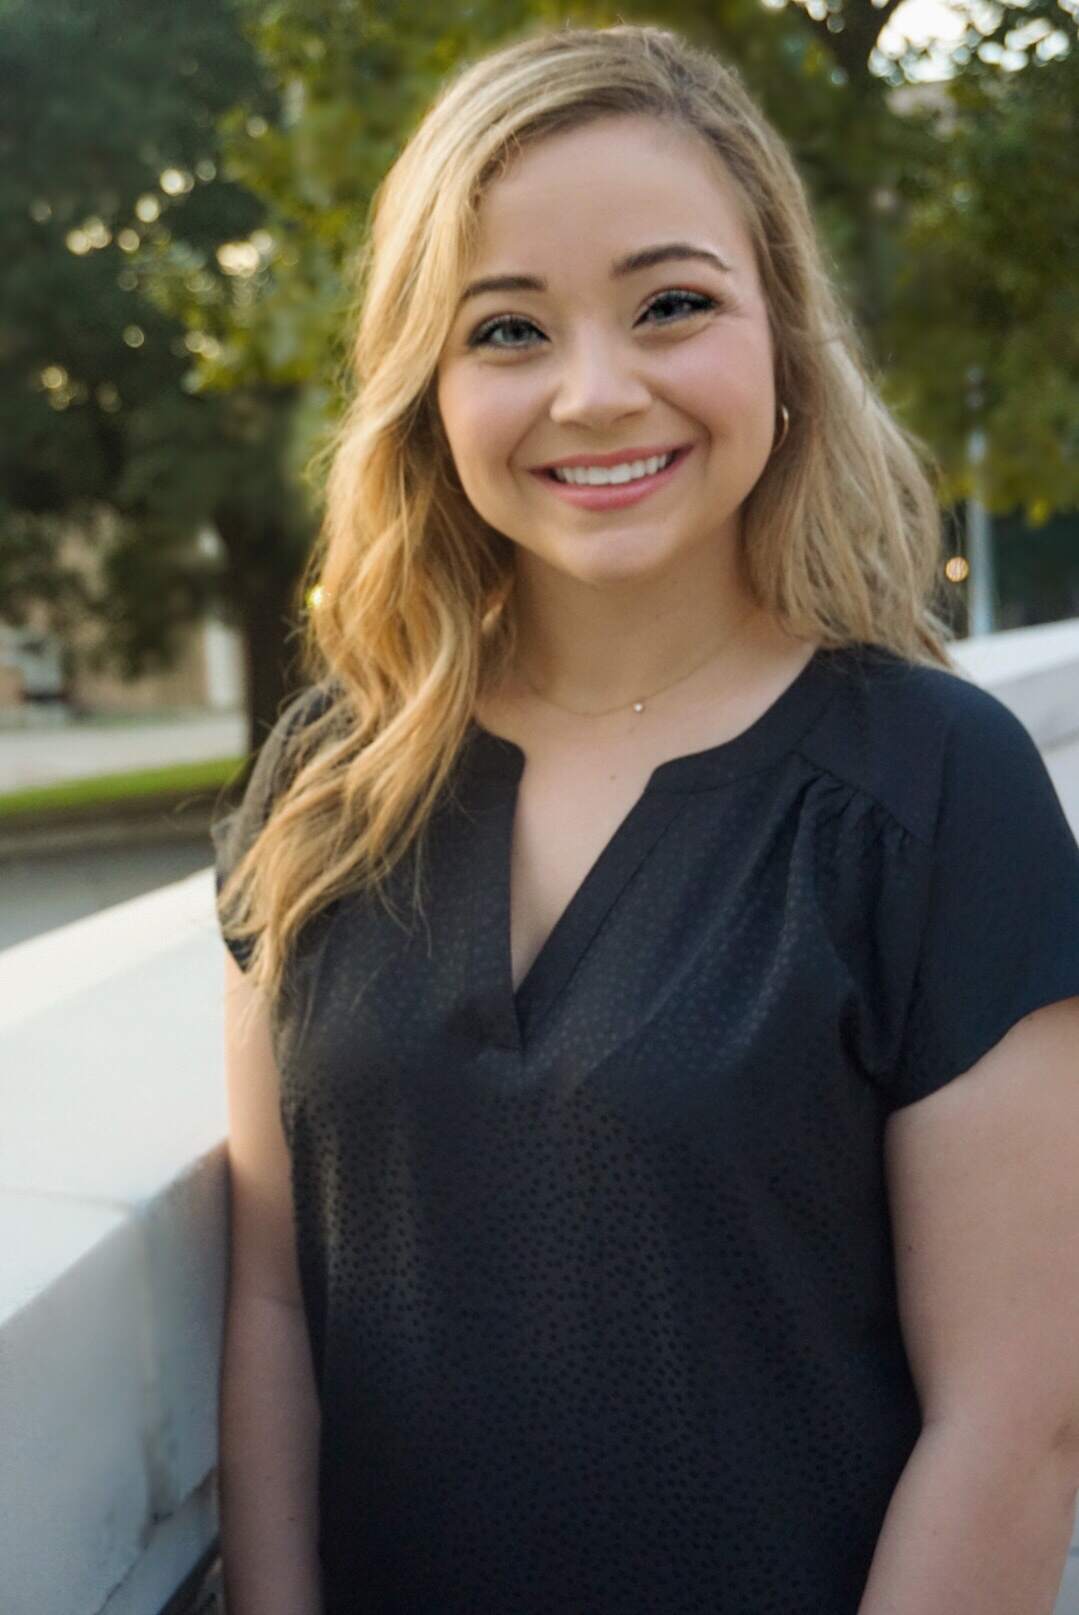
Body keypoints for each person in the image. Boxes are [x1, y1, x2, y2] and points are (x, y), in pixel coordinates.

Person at [211, 23, 1079, 1615]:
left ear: (784, 336)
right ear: (429, 380)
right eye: (509, 329)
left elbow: (1017, 1421)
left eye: (672, 305)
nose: (596, 394)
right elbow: (273, 1306)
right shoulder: (331, 780)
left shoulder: (936, 788)